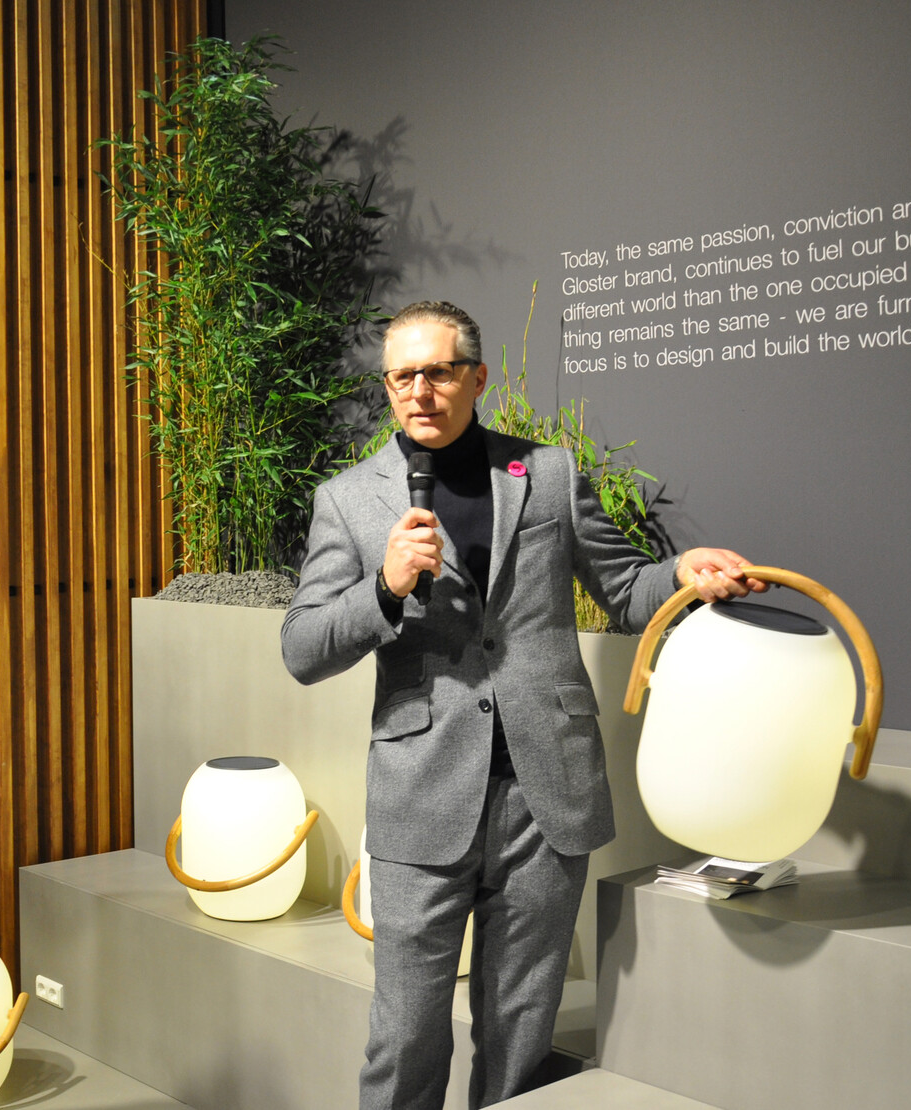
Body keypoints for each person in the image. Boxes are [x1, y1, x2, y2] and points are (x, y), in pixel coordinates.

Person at [281, 301, 764, 1109]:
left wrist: (681, 576)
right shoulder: (349, 499)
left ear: (477, 377)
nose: (419, 391)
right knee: (405, 1036)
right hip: (421, 794)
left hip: (545, 794)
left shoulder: (549, 473)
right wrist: (385, 588)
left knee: (520, 1032)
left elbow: (624, 590)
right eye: (402, 377)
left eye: (438, 372)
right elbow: (302, 648)